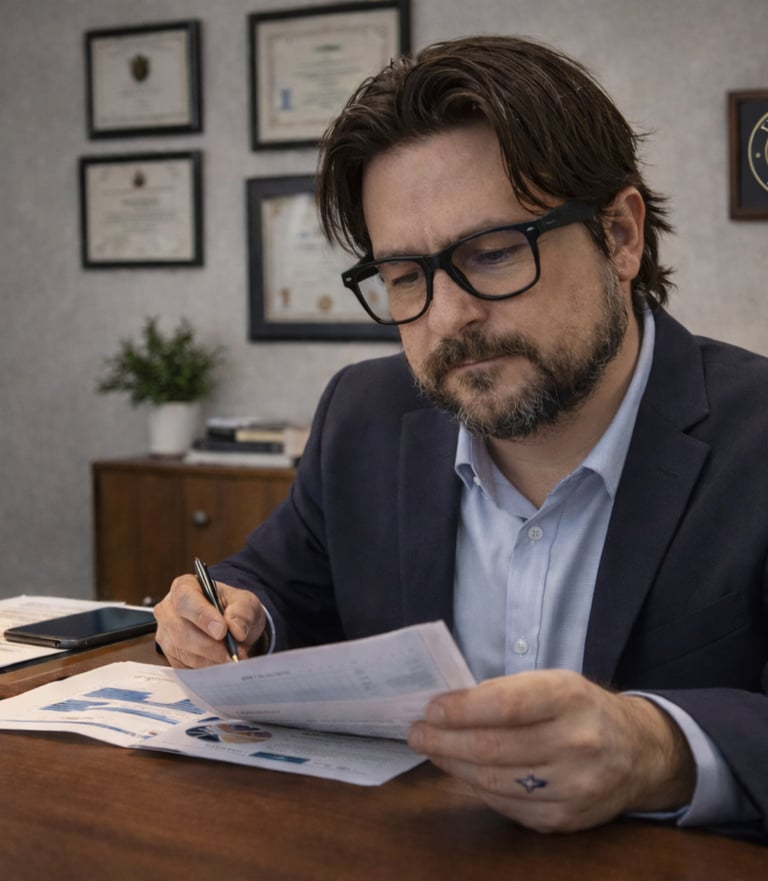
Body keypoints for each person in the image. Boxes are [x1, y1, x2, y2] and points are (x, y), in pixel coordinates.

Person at [154, 35, 768, 841]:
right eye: (406, 276)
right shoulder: (365, 413)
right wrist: (228, 613)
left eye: (493, 252)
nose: (448, 318)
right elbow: (275, 582)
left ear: (621, 236)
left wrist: (658, 750)